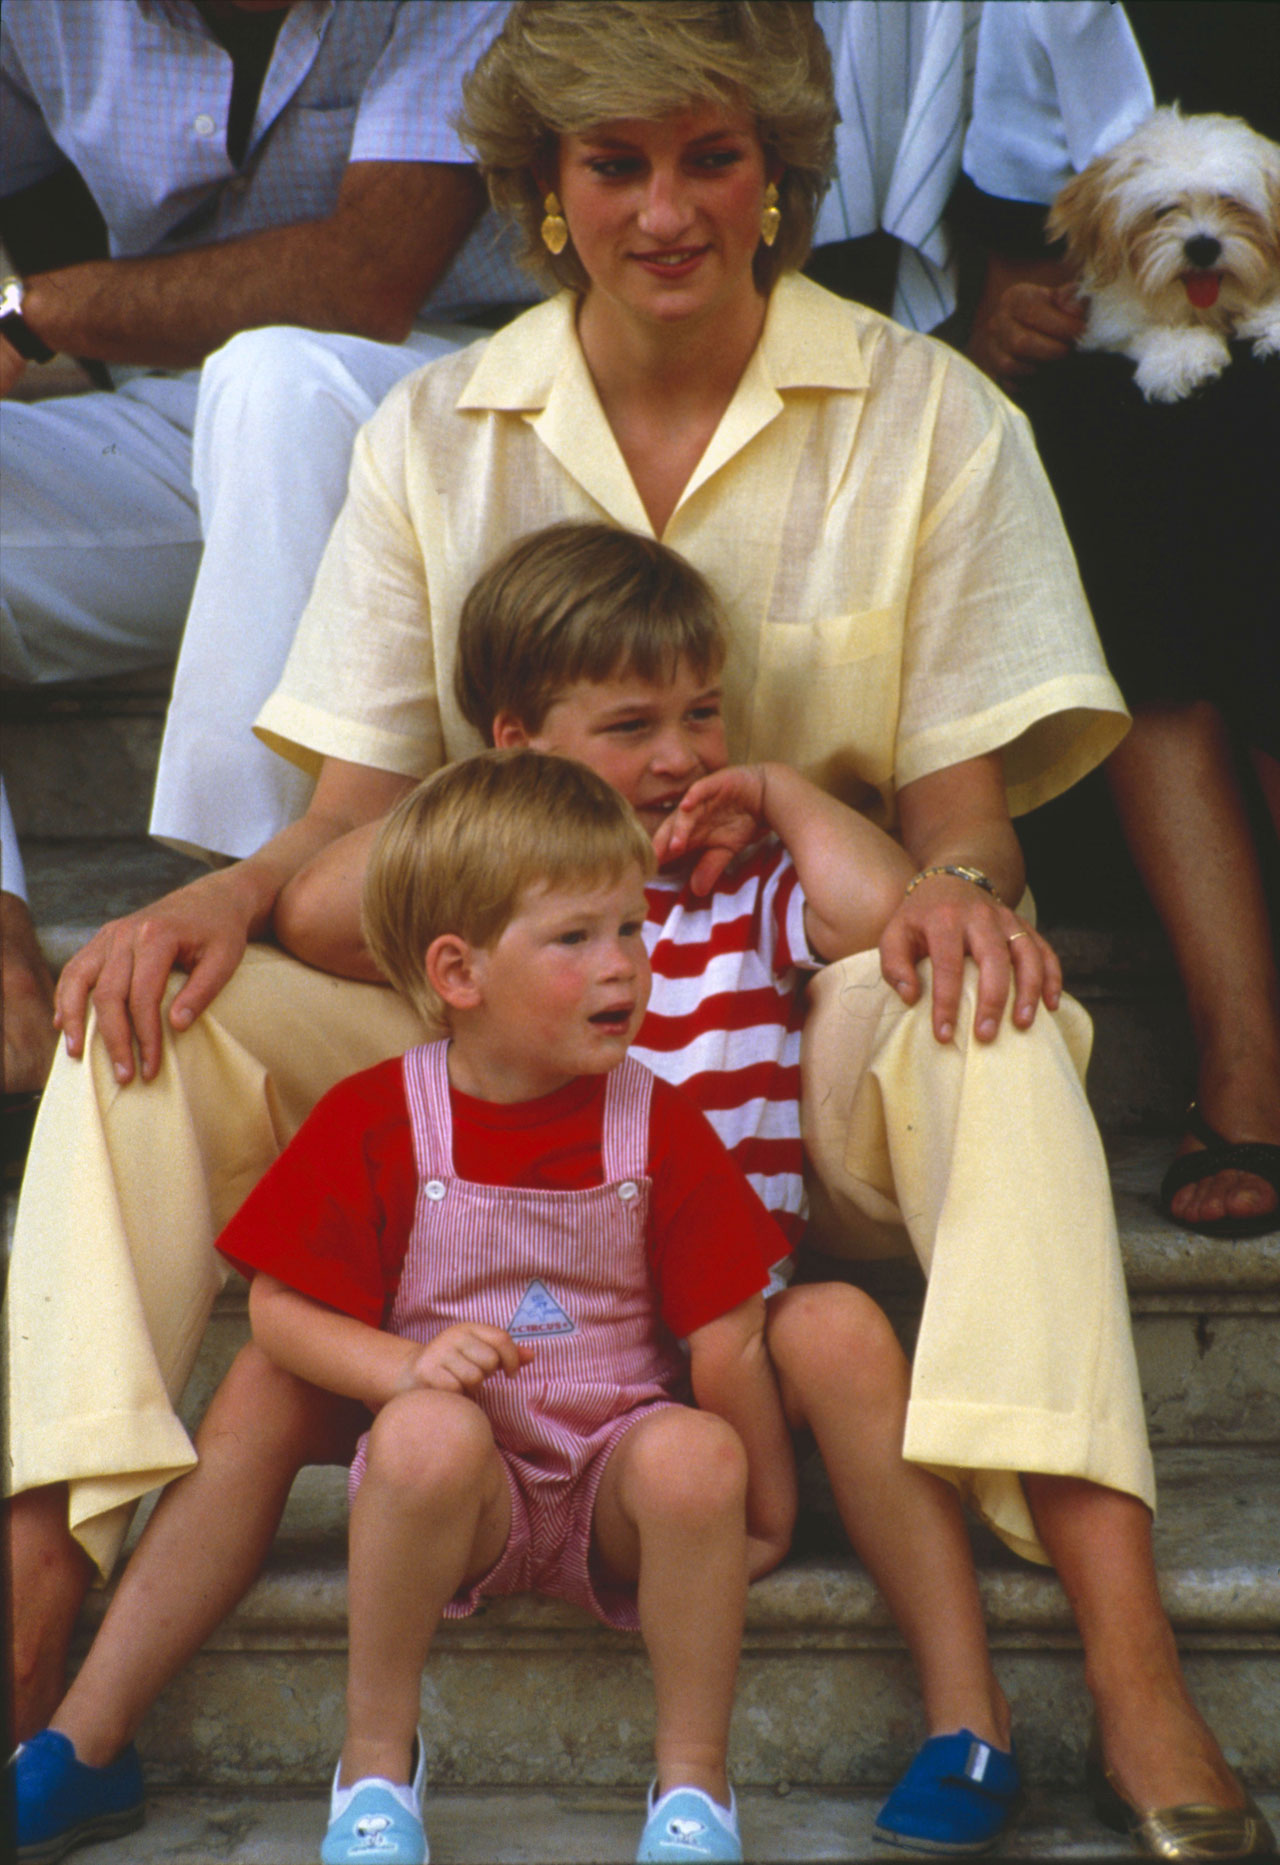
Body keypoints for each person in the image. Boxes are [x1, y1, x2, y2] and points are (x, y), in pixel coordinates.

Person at [8, 4, 1270, 1858]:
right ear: (542, 195)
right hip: (498, 1063)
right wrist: (211, 893)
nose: (667, 211)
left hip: (788, 1030)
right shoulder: (442, 430)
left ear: (778, 182)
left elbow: (964, 820)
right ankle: (44, 1565)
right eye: (616, 167)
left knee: (994, 1019)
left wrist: (968, 904)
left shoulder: (935, 416)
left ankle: (1122, 1634)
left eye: (713, 160)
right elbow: (349, 833)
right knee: (144, 1024)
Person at [224, 748, 797, 1864]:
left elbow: (728, 1337)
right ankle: (376, 1768)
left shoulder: (658, 1122)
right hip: (464, 1487)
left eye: (629, 928)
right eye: (574, 937)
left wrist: (760, 1508)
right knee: (425, 1429)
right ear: (459, 970)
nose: (620, 964)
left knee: (694, 1453)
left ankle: (692, 1789)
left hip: (611, 1472)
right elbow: (277, 1309)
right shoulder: (379, 1114)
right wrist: (400, 1367)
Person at [0, 0, 532, 1095]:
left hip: (458, 405)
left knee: (277, 372)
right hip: (175, 409)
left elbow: (365, 275)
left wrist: (39, 310)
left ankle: (252, 912)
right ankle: (5, 960)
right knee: (254, 382)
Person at [959, 0, 1280, 1241]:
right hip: (1148, 368)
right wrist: (1004, 310)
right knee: (1115, 452)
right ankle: (1240, 1052)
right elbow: (1012, 240)